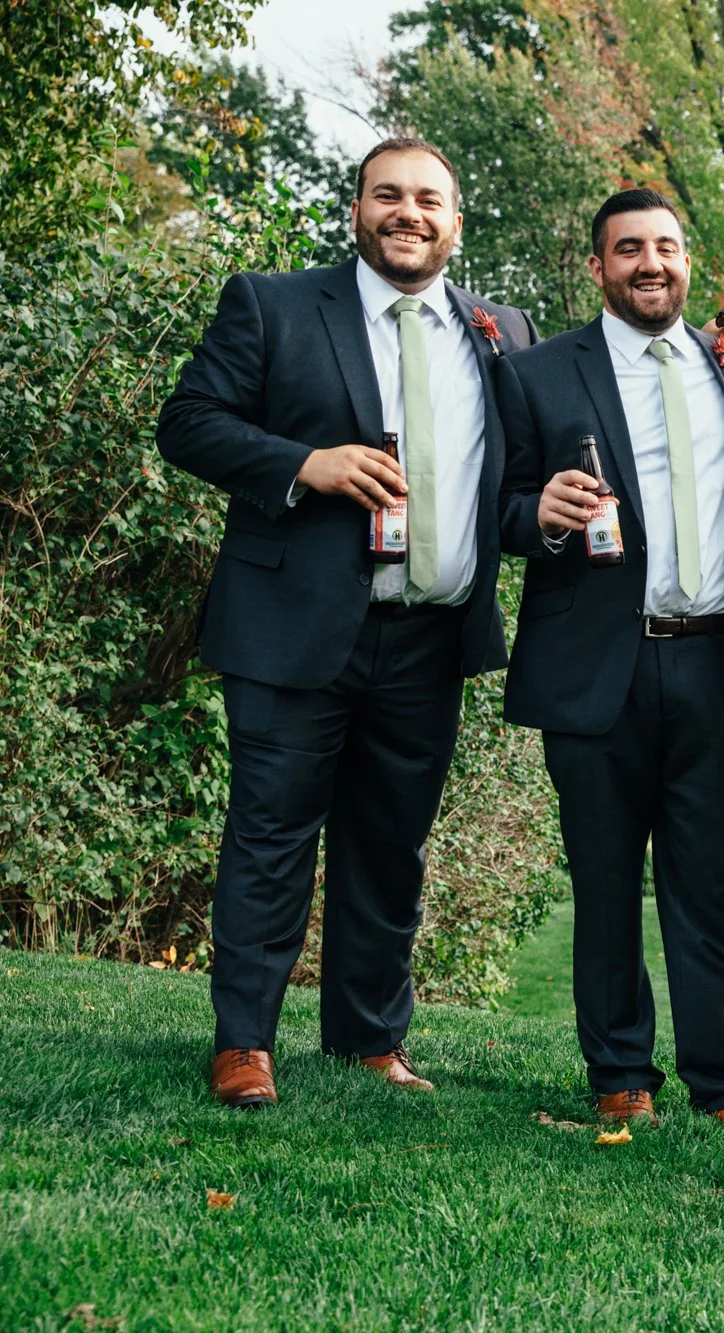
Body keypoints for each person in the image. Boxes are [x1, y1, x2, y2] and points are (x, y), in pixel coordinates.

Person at [158, 137, 535, 1109]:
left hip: (430, 636)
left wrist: (549, 514)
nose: (408, 213)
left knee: (390, 843)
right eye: (388, 195)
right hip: (294, 628)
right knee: (270, 836)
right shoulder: (273, 304)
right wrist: (304, 464)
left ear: (456, 221)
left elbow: (505, 488)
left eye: (428, 200)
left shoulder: (501, 330)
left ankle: (369, 1039)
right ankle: (244, 1041)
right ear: (357, 208)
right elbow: (188, 421)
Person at [496, 189, 724, 1132]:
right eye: (628, 250)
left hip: (718, 663)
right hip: (597, 667)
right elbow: (493, 505)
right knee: (606, 886)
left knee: (713, 889)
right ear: (597, 267)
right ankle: (620, 1071)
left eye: (665, 247)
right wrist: (535, 514)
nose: (650, 264)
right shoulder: (536, 373)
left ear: (685, 259)